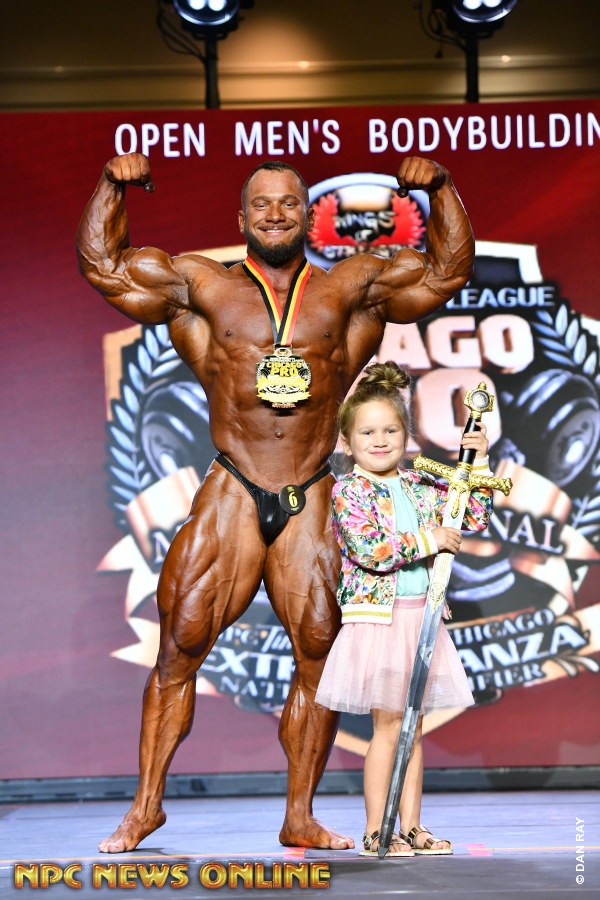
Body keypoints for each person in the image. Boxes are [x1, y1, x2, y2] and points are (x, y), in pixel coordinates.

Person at [76, 152, 475, 853]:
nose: (275, 213)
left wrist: (441, 189)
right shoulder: (203, 284)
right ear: (241, 217)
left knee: (319, 652)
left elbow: (445, 273)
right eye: (261, 203)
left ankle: (300, 814)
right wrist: (111, 186)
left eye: (288, 202)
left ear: (307, 215)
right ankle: (145, 808)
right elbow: (106, 268)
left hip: (312, 486)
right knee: (181, 645)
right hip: (235, 483)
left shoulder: (352, 287)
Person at [315, 361, 493, 857]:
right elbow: (370, 550)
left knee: (412, 729)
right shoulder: (350, 491)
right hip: (380, 621)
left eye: (391, 430)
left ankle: (411, 826)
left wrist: (478, 463)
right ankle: (378, 828)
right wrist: (429, 539)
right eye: (367, 432)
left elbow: (473, 514)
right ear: (347, 441)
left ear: (406, 435)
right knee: (390, 726)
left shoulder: (420, 484)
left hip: (422, 615)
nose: (380, 440)